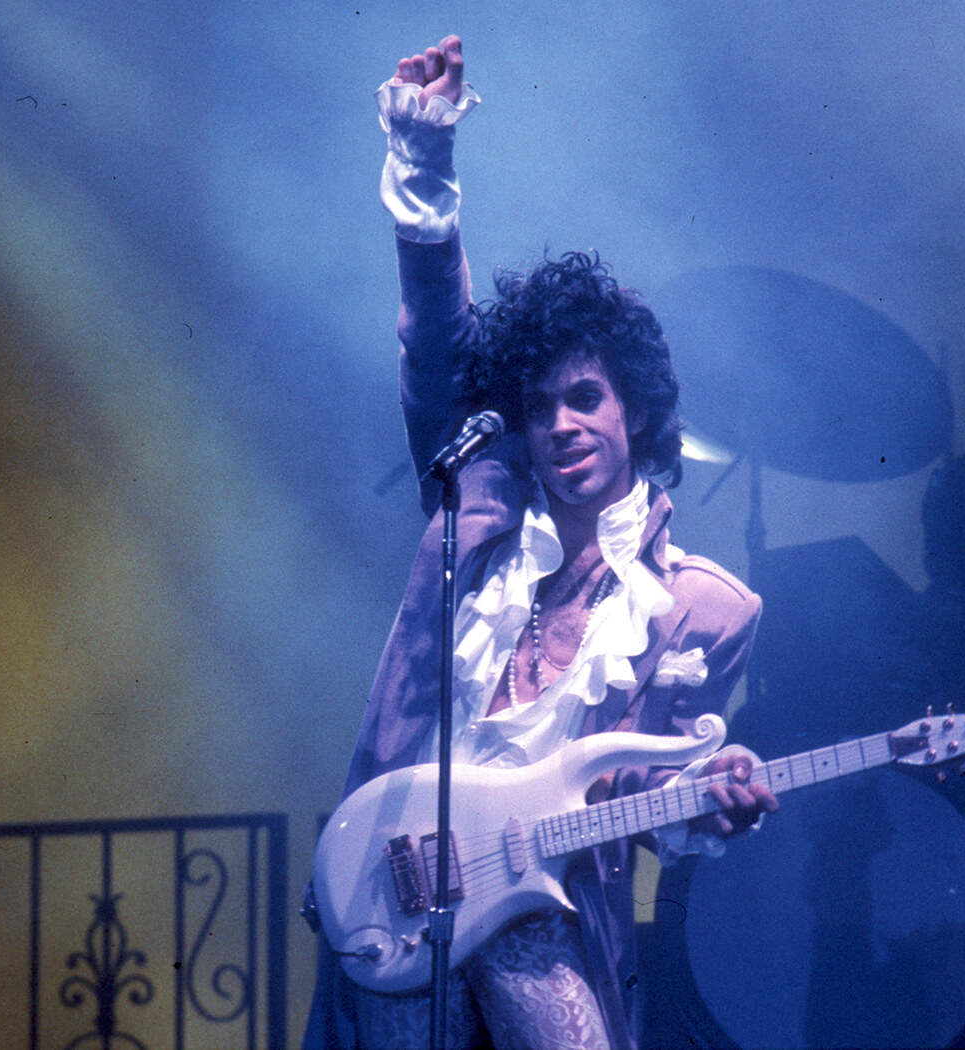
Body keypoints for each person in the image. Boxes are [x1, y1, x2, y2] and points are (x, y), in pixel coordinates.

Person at [302, 35, 777, 1050]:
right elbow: (435, 347)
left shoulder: (706, 609)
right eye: (541, 403)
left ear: (635, 411)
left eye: (585, 397)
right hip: (401, 895)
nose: (560, 423)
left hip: (540, 921)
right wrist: (425, 163)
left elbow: (649, 795)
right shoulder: (472, 509)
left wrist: (711, 798)